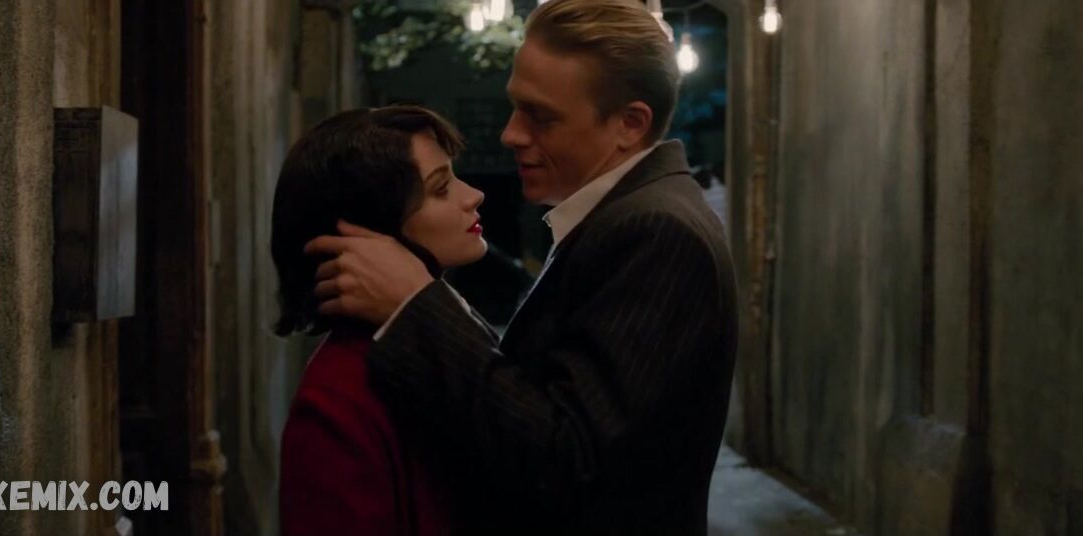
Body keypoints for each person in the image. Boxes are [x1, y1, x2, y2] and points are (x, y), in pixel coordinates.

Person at [305, 0, 738, 533]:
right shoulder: (621, 218)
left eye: (541, 116)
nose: (511, 133)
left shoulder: (655, 230)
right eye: (515, 107)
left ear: (629, 124)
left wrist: (415, 306)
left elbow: (568, 459)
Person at [271, 105, 488, 536]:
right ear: (374, 230)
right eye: (441, 188)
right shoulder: (336, 401)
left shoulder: (435, 344)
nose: (473, 195)